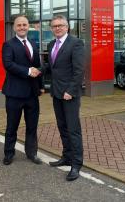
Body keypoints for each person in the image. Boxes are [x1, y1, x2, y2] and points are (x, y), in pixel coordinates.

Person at [1, 15, 44, 166]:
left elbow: (37, 66)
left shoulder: (33, 43)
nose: (22, 27)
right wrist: (27, 71)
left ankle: (32, 153)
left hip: (32, 94)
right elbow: (8, 64)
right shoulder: (8, 44)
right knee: (12, 126)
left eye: (24, 25)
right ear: (14, 28)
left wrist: (41, 86)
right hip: (14, 94)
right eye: (19, 25)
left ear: (28, 26)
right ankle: (9, 153)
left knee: (32, 126)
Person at [46, 15, 85, 181]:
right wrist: (36, 70)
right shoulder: (51, 44)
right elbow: (52, 67)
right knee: (62, 127)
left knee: (73, 129)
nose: (57, 28)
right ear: (51, 28)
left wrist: (70, 90)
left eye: (60, 25)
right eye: (54, 26)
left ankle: (76, 164)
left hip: (69, 95)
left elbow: (79, 70)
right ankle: (67, 157)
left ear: (67, 27)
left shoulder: (75, 43)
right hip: (56, 93)